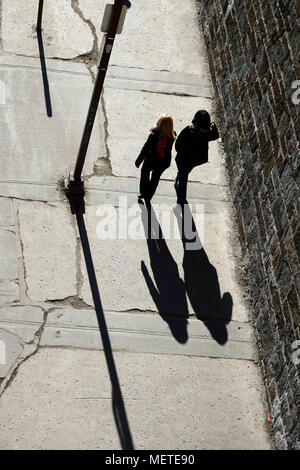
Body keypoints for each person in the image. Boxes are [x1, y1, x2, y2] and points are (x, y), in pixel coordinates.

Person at [174, 110, 219, 208]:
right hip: (195, 161)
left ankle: (181, 202)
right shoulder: (208, 133)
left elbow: (177, 145)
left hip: (183, 160)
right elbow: (216, 136)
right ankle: (179, 184)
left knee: (182, 180)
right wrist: (214, 126)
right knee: (183, 175)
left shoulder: (188, 130)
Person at [135, 114, 176, 204]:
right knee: (155, 178)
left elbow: (145, 148)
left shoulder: (153, 135)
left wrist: (138, 161)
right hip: (163, 162)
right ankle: (148, 196)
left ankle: (143, 192)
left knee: (144, 174)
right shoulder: (172, 136)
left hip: (150, 159)